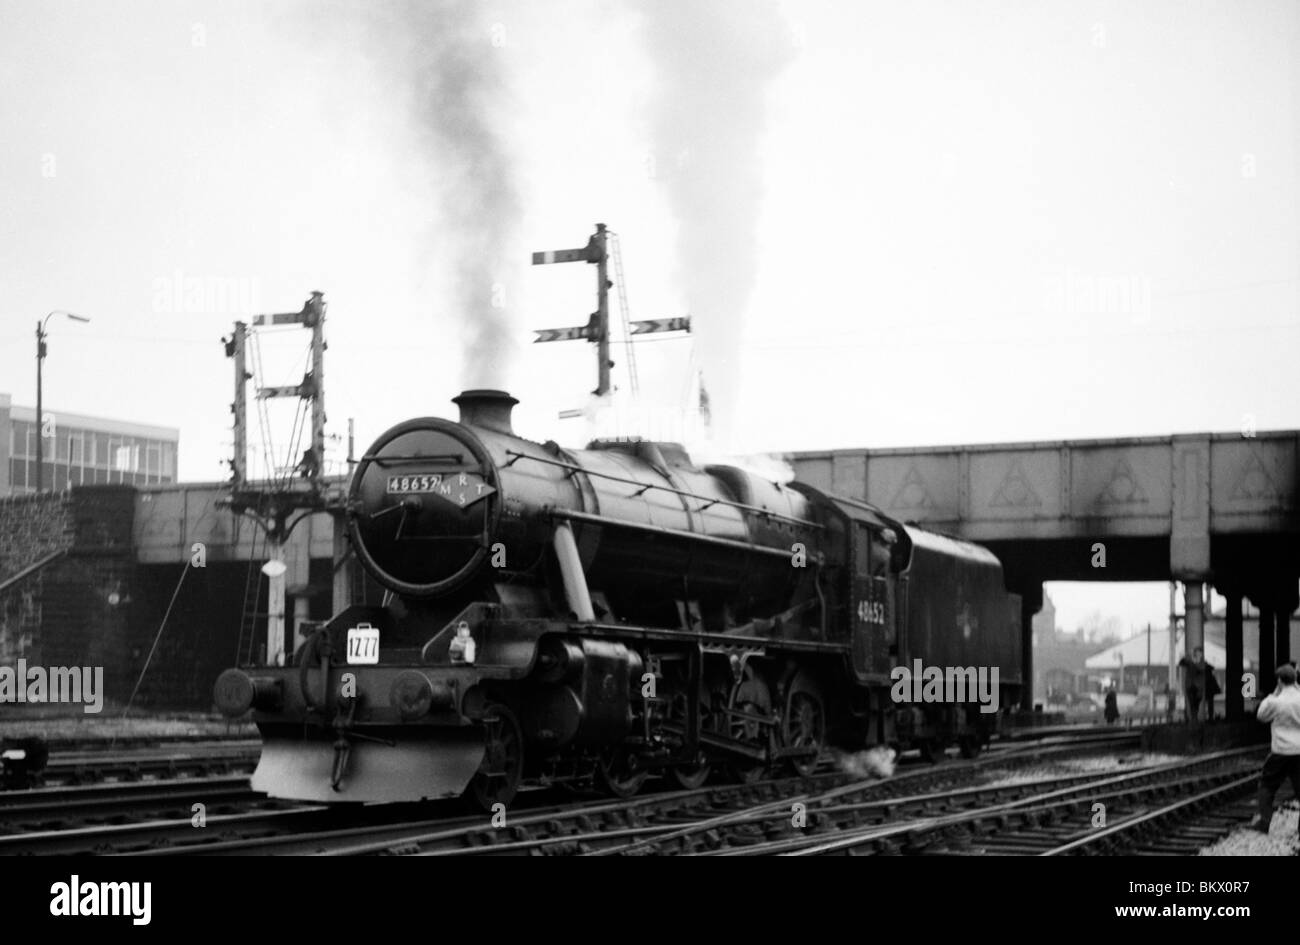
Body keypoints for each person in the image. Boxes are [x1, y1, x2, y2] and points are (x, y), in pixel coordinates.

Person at [1248, 664, 1300, 835]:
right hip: (1299, 751)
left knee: (1267, 786)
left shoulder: (1275, 701)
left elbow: (1261, 715)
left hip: (1280, 752)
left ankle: (1264, 823)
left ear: (1279, 680)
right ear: (1295, 679)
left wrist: (1273, 694)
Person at [1177, 647, 1206, 722]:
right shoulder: (1190, 661)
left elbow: (1200, 669)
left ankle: (1194, 718)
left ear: (1201, 654)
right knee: (1191, 704)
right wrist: (1186, 655)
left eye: (1198, 653)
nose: (1196, 654)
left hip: (1198, 688)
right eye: (1195, 652)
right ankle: (1194, 719)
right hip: (1190, 686)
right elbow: (1181, 663)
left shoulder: (1202, 663)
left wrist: (1192, 661)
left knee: (1196, 704)